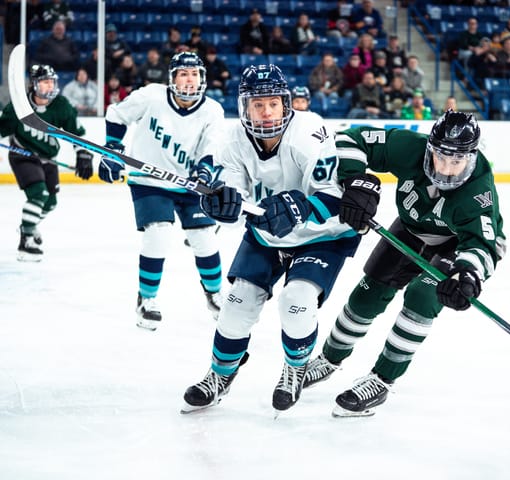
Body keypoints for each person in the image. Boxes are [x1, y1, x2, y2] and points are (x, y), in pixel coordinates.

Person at [181, 64, 361, 414]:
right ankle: (220, 376)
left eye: (273, 104)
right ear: (244, 107)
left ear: (286, 104)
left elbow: (338, 197)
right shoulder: (232, 142)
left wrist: (300, 206)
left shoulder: (309, 131)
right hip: (268, 235)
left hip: (321, 235)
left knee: (296, 302)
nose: (266, 112)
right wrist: (222, 205)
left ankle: (295, 369)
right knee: (235, 307)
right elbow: (235, 201)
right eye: (257, 105)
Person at [302, 111, 506, 417]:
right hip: (409, 230)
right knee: (365, 297)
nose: (448, 169)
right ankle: (330, 359)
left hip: (453, 243)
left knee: (422, 298)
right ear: (430, 148)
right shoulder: (411, 147)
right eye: (441, 157)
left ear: (472, 155)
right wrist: (355, 182)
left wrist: (468, 274)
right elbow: (349, 138)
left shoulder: (479, 191)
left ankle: (382, 379)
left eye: (457, 160)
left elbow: (486, 243)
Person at [98, 52, 226, 330]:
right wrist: (112, 151)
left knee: (204, 237)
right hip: (149, 181)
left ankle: (214, 293)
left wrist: (205, 172)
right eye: (183, 73)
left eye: (194, 74)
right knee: (158, 234)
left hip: (190, 184)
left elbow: (212, 147)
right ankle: (147, 299)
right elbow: (117, 114)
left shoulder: (212, 110)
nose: (189, 79)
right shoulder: (152, 96)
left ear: (202, 78)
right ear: (172, 78)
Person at [0, 64, 93, 261]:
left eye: (51, 82)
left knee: (50, 202)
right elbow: (2, 128)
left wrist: (83, 155)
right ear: (34, 85)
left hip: (48, 157)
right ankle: (26, 243)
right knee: (38, 194)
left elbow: (77, 134)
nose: (49, 86)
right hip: (22, 154)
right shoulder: (19, 105)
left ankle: (28, 225)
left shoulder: (61, 105)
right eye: (44, 82)